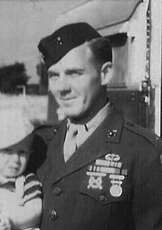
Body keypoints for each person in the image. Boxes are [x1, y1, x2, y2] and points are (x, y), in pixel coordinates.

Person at [30, 22, 162, 230]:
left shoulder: (142, 151)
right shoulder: (40, 143)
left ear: (105, 74)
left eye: (75, 73)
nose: (62, 88)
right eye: (54, 75)